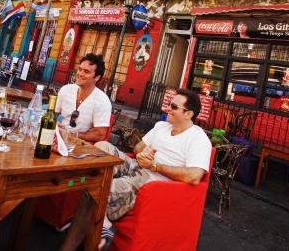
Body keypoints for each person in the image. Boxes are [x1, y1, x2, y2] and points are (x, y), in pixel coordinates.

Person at [60, 88, 212, 251]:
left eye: (174, 107)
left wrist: (155, 166)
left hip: (153, 184)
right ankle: (101, 221)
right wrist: (143, 154)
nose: (168, 108)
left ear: (189, 114)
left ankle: (77, 241)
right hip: (138, 167)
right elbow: (139, 147)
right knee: (101, 147)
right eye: (169, 104)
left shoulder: (198, 139)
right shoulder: (162, 126)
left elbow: (195, 176)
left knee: (94, 189)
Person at [55, 53, 112, 142]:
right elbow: (51, 114)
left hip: (81, 144)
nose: (80, 74)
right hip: (58, 138)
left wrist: (75, 135)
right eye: (80, 69)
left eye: (86, 71)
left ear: (97, 77)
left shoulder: (102, 100)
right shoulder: (65, 90)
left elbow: (100, 134)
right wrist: (55, 124)